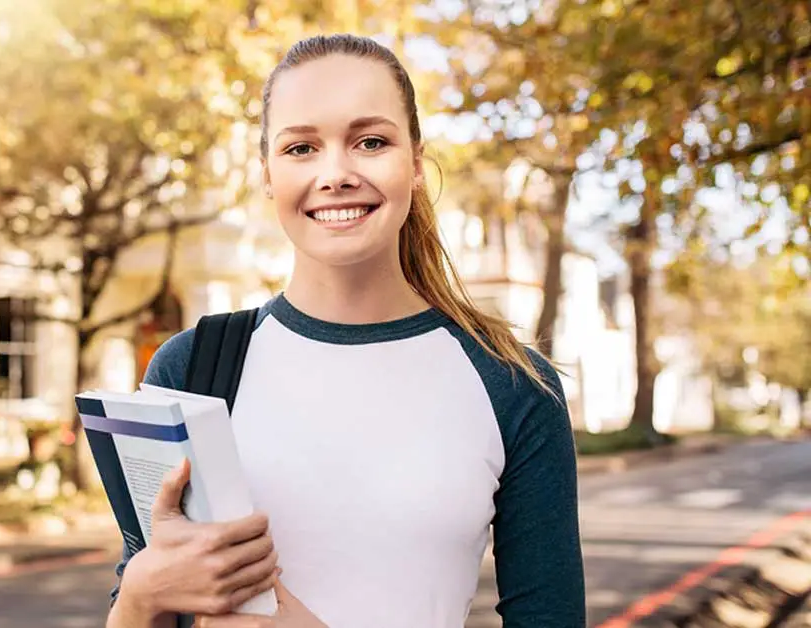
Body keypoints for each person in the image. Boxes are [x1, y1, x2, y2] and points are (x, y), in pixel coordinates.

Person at [105, 33, 585, 628]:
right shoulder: (190, 367)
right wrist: (141, 594)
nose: (335, 173)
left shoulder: (513, 383)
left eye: (371, 141)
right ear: (267, 176)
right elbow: (142, 603)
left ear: (414, 164)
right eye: (302, 148)